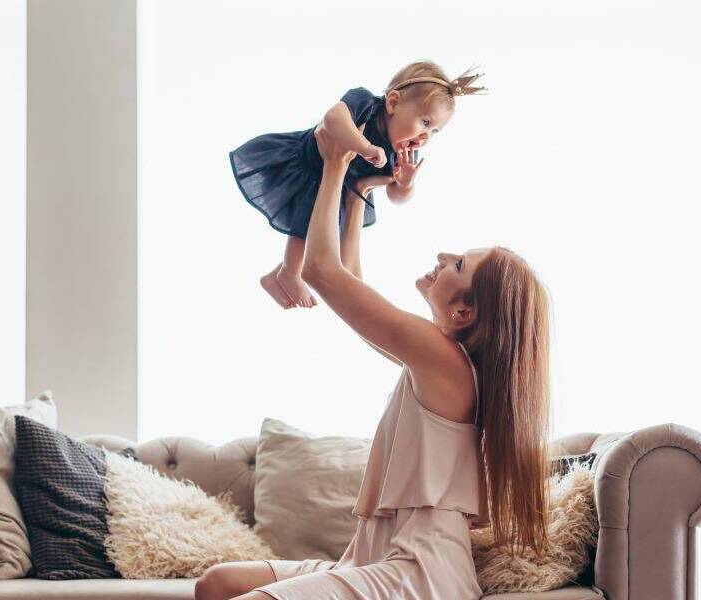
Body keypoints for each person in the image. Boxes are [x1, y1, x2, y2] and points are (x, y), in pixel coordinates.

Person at [196, 114, 554, 600]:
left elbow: (322, 273)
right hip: (372, 556)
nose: (444, 254)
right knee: (219, 584)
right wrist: (355, 190)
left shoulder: (444, 361)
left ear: (465, 310)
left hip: (418, 571)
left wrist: (335, 163)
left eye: (460, 264)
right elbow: (350, 279)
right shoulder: (434, 357)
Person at [228, 60, 485, 309]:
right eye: (425, 123)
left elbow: (395, 195)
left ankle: (278, 275)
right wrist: (365, 147)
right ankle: (288, 273)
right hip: (312, 163)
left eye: (434, 131)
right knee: (306, 223)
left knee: (322, 233)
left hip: (339, 190)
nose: (425, 136)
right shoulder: (366, 105)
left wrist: (404, 184)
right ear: (393, 102)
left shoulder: (403, 153)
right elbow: (332, 118)